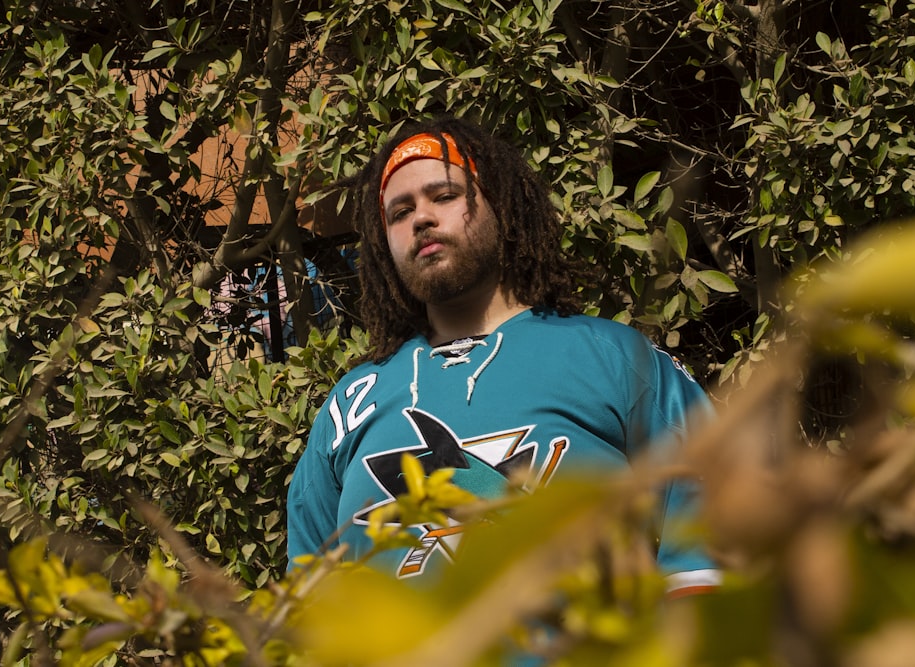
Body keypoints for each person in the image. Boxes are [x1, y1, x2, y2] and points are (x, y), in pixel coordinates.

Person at [286, 116, 720, 596]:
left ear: (501, 208)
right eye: (399, 212)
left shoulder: (613, 358)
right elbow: (306, 604)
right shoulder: (350, 404)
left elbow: (711, 550)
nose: (421, 219)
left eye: (444, 196)